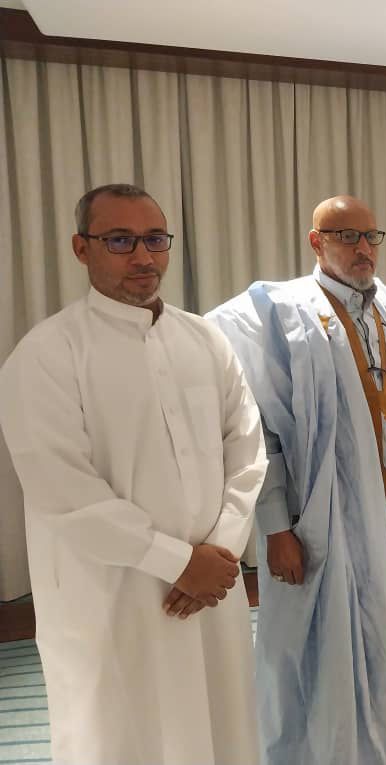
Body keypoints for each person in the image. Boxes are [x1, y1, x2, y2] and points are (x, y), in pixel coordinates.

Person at [0, 183, 266, 765]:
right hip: (113, 591)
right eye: (120, 240)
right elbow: (62, 489)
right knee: (123, 734)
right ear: (81, 248)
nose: (143, 256)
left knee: (222, 724)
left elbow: (246, 447)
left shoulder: (205, 339)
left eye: (154, 239)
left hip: (210, 584)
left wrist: (219, 552)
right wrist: (178, 562)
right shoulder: (46, 354)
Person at [206, 196, 386, 765]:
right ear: (316, 242)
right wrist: (275, 527)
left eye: (371, 237)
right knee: (324, 651)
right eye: (346, 236)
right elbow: (257, 431)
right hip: (323, 521)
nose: (363, 249)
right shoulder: (279, 314)